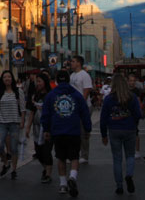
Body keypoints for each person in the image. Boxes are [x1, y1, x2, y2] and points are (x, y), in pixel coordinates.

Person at [41, 70, 92, 198]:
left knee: (61, 157)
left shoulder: (51, 95)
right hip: (73, 130)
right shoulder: (76, 94)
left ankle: (63, 184)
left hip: (57, 131)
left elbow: (46, 114)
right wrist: (87, 128)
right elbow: (84, 112)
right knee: (74, 157)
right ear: (69, 80)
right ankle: (73, 177)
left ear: (57, 81)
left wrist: (46, 129)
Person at [100, 71, 142, 196]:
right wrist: (134, 123)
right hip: (129, 129)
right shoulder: (131, 97)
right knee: (130, 155)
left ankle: (119, 186)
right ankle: (129, 174)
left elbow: (103, 118)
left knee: (117, 159)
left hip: (114, 129)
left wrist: (103, 134)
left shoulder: (109, 99)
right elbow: (138, 114)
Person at [0, 70, 24, 180]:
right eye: (5, 77)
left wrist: (22, 120)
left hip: (14, 122)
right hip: (2, 123)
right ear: (2, 79)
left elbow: (23, 108)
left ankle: (14, 170)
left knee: (14, 148)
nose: (7, 79)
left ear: (12, 79)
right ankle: (6, 163)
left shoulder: (18, 92)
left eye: (9, 76)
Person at [24, 70, 54, 184]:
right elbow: (32, 111)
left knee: (46, 151)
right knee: (39, 151)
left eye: (40, 81)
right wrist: (28, 127)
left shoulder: (50, 96)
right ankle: (46, 168)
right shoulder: (35, 95)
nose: (38, 83)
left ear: (45, 82)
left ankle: (48, 173)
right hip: (37, 127)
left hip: (47, 127)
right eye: (37, 81)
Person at [68, 55, 93, 164]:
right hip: (73, 108)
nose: (71, 63)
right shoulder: (72, 75)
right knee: (74, 132)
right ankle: (74, 154)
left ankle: (84, 155)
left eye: (73, 61)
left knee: (83, 132)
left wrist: (81, 106)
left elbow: (86, 91)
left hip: (84, 107)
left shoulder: (84, 75)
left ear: (79, 63)